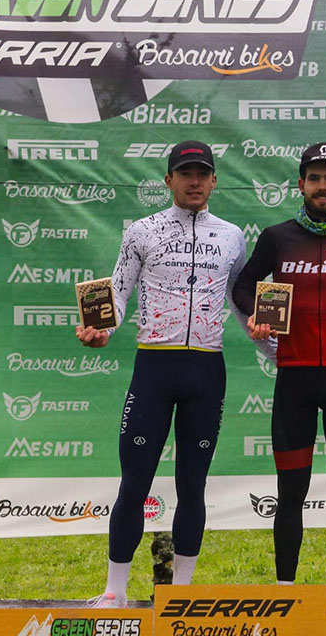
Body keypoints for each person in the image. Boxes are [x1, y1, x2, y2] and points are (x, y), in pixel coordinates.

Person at [76, 140, 246, 607]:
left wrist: (271, 344)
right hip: (154, 367)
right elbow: (119, 290)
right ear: (168, 180)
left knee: (193, 486)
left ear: (214, 181)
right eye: (185, 173)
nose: (194, 181)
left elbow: (242, 301)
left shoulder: (232, 236)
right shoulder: (143, 231)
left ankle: (181, 596)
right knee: (134, 484)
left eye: (202, 173)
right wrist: (102, 329)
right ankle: (115, 591)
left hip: (206, 371)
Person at [232, 142, 326, 584]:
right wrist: (260, 316)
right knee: (290, 493)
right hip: (294, 382)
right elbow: (243, 286)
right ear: (300, 184)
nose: (323, 186)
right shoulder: (277, 237)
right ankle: (285, 592)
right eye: (314, 178)